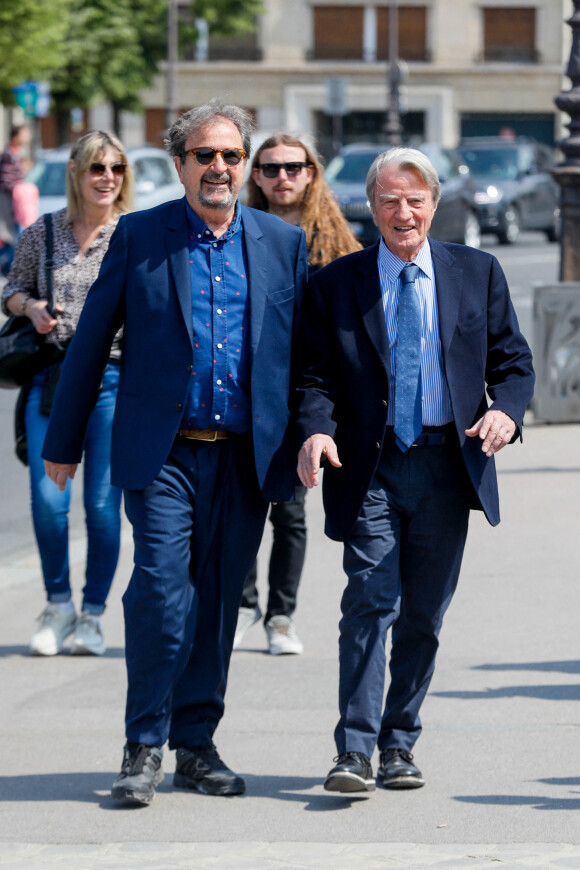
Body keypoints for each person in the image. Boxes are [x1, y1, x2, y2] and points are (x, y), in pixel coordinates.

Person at [42, 100, 308, 806]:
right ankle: (142, 743)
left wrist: (315, 430)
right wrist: (62, 441)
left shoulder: (281, 244)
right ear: (180, 163)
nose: (217, 167)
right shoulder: (140, 236)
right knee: (162, 589)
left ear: (242, 164)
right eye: (202, 155)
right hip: (163, 454)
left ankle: (196, 743)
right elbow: (91, 342)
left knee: (219, 603)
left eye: (229, 156)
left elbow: (302, 357)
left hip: (246, 456)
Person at [296, 147, 534, 794]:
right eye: (389, 201)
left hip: (445, 466)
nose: (403, 213)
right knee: (370, 600)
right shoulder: (336, 285)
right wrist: (316, 429)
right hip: (368, 466)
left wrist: (506, 414)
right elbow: (314, 377)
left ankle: (400, 743)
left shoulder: (476, 272)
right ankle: (354, 750)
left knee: (424, 614)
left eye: (415, 200)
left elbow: (513, 364)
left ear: (433, 204)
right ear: (370, 209)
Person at [2, 130, 134, 657]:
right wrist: (29, 308)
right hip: (52, 379)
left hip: (112, 380)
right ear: (76, 174)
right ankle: (58, 605)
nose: (107, 178)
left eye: (116, 169)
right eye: (96, 168)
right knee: (47, 498)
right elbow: (11, 291)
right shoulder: (44, 232)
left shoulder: (132, 233)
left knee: (102, 507)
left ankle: (93, 614)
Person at [234, 133, 361, 655]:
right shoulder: (236, 234)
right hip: (245, 392)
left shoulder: (336, 244)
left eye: (293, 166)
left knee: (289, 511)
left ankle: (280, 614)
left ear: (311, 172)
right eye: (269, 168)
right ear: (256, 178)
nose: (281, 177)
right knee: (239, 506)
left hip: (304, 395)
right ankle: (242, 603)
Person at [0, 124, 32, 275]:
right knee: (10, 236)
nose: (28, 137)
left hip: (16, 204)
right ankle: (10, 269)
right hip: (9, 204)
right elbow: (6, 180)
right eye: (25, 133)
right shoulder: (9, 154)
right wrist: (19, 190)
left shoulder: (15, 153)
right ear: (16, 136)